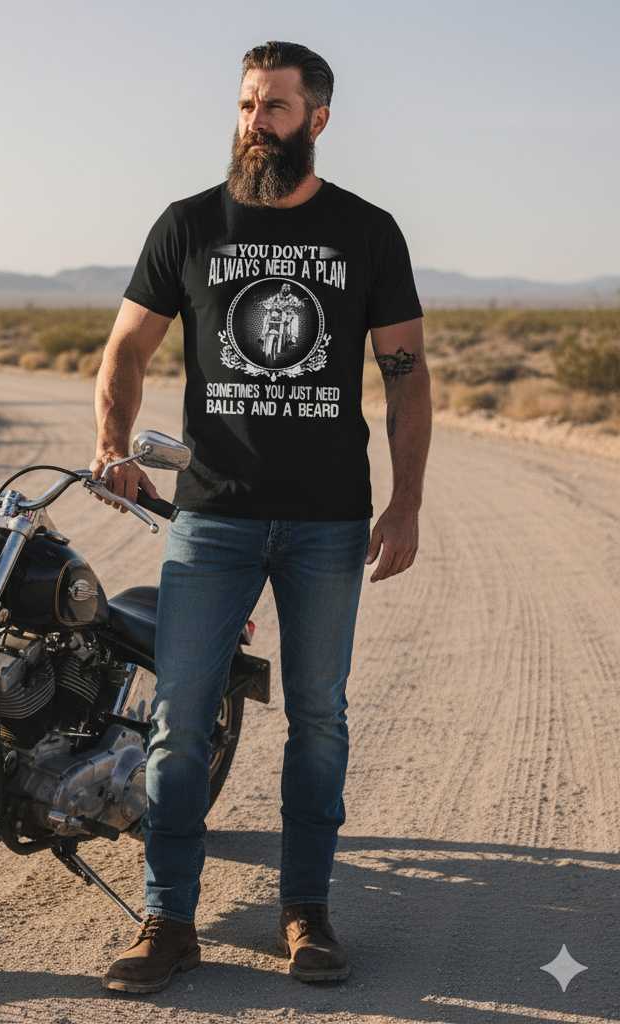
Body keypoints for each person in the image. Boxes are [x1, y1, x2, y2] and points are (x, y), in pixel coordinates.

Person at [90, 39, 432, 995]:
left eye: (275, 107)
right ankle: (169, 920)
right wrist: (113, 442)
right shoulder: (189, 224)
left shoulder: (367, 232)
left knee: (318, 719)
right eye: (246, 104)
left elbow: (406, 378)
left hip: (328, 522)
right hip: (212, 517)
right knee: (178, 720)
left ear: (317, 119)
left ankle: (306, 913)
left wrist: (406, 504)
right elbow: (125, 349)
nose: (255, 123)